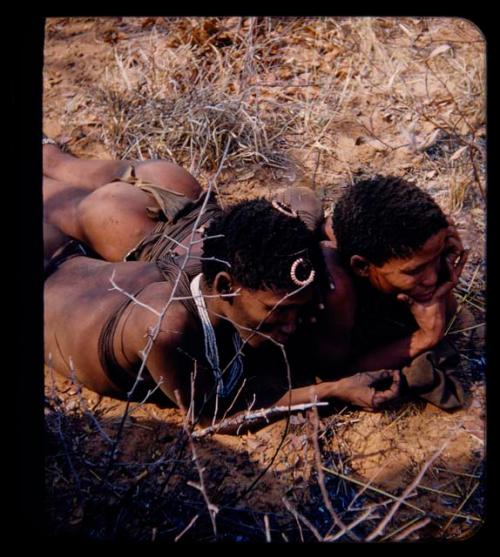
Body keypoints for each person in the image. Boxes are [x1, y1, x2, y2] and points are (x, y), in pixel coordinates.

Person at [44, 197, 401, 434]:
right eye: (279, 312)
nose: (292, 326)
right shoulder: (166, 328)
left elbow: (299, 201)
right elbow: (209, 418)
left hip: (65, 253)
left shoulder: (220, 267)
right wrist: (333, 390)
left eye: (299, 310)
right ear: (225, 285)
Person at [294, 176, 468, 409]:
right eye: (415, 270)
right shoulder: (336, 288)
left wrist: (444, 264)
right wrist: (425, 338)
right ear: (362, 267)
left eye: (434, 260)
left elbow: (451, 312)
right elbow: (336, 373)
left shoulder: (403, 251)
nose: (432, 278)